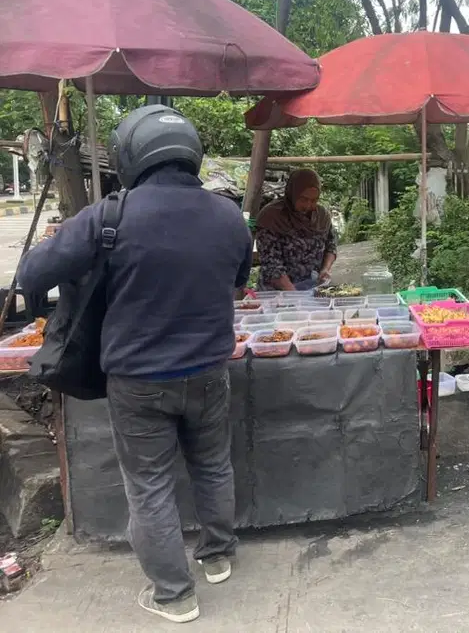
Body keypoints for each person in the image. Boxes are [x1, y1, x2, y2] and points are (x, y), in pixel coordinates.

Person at [17, 105, 253, 624]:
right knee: (213, 465)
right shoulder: (229, 216)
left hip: (139, 380)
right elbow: (238, 281)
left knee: (150, 486)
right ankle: (217, 555)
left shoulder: (111, 214)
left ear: (130, 155)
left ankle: (174, 594)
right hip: (210, 370)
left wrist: (55, 242)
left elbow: (32, 274)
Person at [255, 168, 337, 290]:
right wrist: (294, 296)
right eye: (303, 199)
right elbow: (272, 264)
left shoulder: (322, 216)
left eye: (314, 200)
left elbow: (331, 244)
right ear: (292, 193)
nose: (308, 205)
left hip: (310, 288)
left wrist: (325, 269)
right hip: (276, 294)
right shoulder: (271, 217)